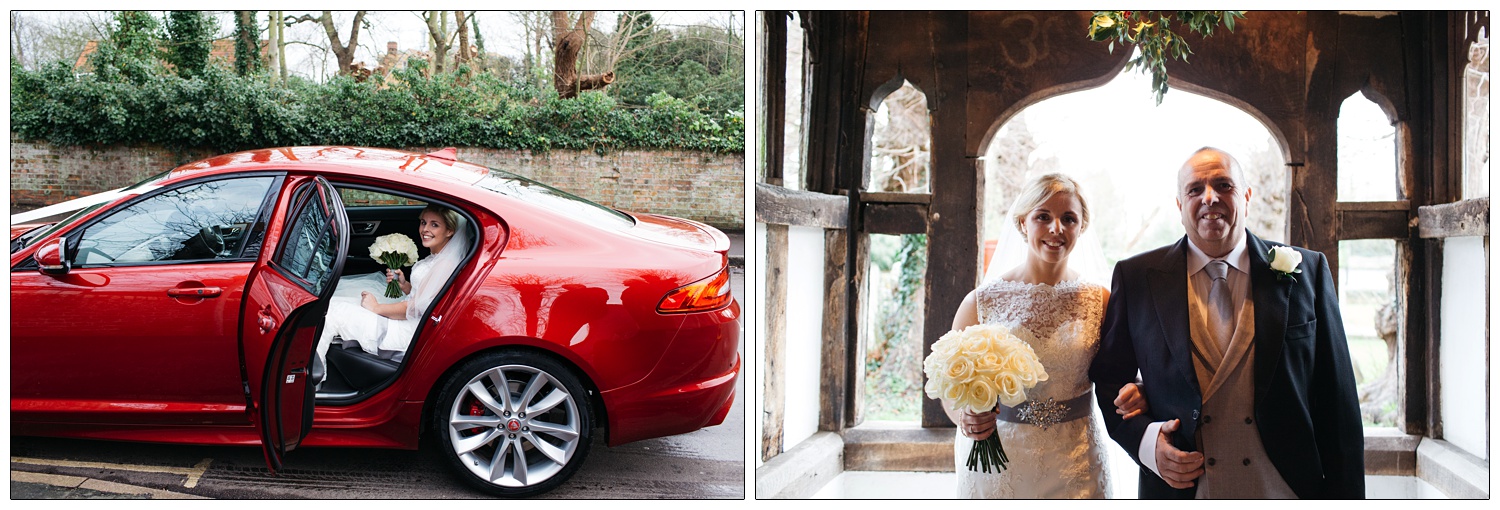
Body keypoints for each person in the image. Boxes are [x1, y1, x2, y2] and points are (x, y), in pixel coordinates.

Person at [1088, 147, 1364, 499]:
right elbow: (1110, 380)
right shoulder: (1137, 278)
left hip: (1287, 489)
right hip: (1184, 491)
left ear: (1246, 197)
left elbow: (1338, 402)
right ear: (1179, 205)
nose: (1209, 198)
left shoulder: (1307, 271)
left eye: (1223, 185)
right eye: (1194, 190)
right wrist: (1147, 445)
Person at [944, 173, 1145, 498]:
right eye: (1043, 217)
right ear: (1023, 223)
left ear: (1081, 227)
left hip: (1077, 460)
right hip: (1000, 461)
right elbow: (951, 387)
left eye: (1068, 219)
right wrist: (965, 417)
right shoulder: (982, 301)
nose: (1056, 229)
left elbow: (1125, 374)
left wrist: (1136, 390)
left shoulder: (1101, 301)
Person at [317, 204, 469, 368]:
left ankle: (312, 380)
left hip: (408, 330)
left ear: (450, 231)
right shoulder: (437, 257)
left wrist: (376, 308)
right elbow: (427, 298)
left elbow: (413, 308)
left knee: (330, 311)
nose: (425, 229)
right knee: (333, 302)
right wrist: (404, 286)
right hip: (409, 316)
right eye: (423, 222)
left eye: (435, 225)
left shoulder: (445, 264)